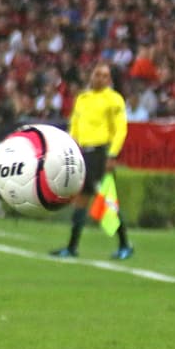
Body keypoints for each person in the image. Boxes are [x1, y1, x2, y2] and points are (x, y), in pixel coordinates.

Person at [51, 62, 132, 260]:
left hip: (100, 153)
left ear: (110, 79)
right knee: (81, 199)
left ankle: (124, 244)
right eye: (97, 74)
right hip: (82, 153)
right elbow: (75, 127)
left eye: (104, 76)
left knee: (105, 199)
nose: (100, 78)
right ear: (91, 76)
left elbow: (120, 129)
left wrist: (112, 155)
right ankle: (72, 247)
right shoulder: (82, 99)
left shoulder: (114, 100)